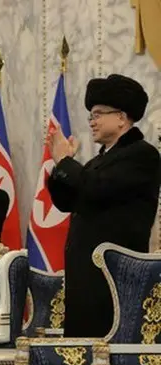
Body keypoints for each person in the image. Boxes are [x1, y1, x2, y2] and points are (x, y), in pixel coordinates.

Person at [47, 73, 161, 338]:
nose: (92, 122)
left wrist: (66, 163)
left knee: (104, 347)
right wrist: (60, 164)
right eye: (91, 116)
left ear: (121, 117)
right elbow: (67, 202)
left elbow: (98, 188)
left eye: (98, 114)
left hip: (114, 271)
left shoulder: (142, 154)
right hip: (85, 271)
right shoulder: (98, 161)